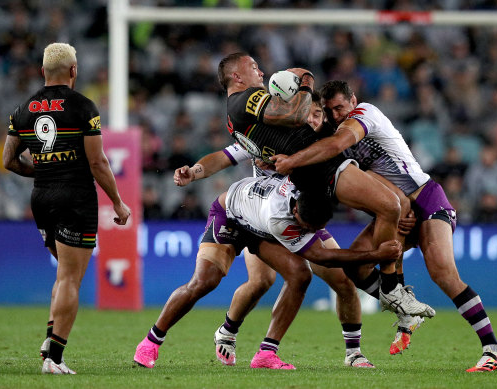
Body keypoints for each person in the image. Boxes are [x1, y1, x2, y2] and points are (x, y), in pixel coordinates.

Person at [272, 80, 497, 372]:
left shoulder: (364, 115)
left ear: (353, 100)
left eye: (339, 108)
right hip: (397, 207)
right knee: (356, 267)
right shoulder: (336, 135)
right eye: (330, 110)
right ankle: (405, 309)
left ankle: (494, 350)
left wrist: (291, 161)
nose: (335, 115)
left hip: (427, 200)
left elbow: (335, 144)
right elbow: (370, 184)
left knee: (442, 273)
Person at [174, 93, 419, 368]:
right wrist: (194, 172)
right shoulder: (270, 136)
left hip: (303, 218)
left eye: (318, 114)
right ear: (298, 115)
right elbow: (223, 157)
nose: (313, 119)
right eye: (309, 114)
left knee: (343, 282)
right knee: (260, 282)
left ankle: (353, 353)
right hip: (262, 219)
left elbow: (358, 182)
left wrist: (398, 208)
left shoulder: (326, 143)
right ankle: (228, 331)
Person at [217, 52, 433, 319]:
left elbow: (272, 138)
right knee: (389, 206)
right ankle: (391, 290)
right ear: (236, 77)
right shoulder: (245, 99)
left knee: (396, 203)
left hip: (312, 173)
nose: (260, 72)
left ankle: (389, 291)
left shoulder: (237, 113)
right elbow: (295, 115)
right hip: (319, 169)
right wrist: (306, 82)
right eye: (253, 67)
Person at [134, 173, 402, 370]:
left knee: (301, 276)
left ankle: (266, 353)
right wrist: (377, 255)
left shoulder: (310, 193)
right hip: (232, 215)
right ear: (296, 211)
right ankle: (150, 342)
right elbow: (323, 256)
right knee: (205, 281)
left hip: (259, 218)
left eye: (314, 228)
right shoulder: (279, 219)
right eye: (306, 227)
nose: (310, 231)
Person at [2, 43, 131, 375]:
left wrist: (43, 170)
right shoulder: (83, 107)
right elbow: (98, 162)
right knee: (72, 278)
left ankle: (49, 343)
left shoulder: (22, 109)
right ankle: (55, 357)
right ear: (74, 70)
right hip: (75, 197)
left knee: (63, 274)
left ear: (43, 71)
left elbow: (8, 160)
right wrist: (117, 201)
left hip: (42, 197)